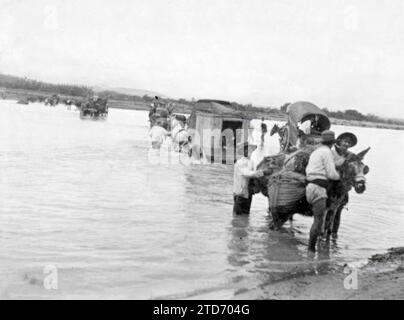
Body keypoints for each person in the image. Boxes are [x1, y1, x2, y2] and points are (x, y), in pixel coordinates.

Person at [305, 130, 340, 253]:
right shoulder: (327, 152)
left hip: (309, 186)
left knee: (317, 219)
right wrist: (339, 176)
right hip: (318, 189)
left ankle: (311, 248)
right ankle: (310, 250)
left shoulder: (316, 151)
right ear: (331, 143)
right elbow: (331, 174)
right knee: (318, 220)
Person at [329, 132, 358, 237]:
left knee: (338, 212)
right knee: (327, 212)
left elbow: (357, 169)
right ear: (340, 141)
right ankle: (325, 235)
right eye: (345, 141)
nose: (346, 144)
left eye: (349, 142)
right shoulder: (331, 152)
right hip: (330, 185)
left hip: (342, 188)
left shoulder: (351, 156)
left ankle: (334, 234)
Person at [233, 142, 269, 215]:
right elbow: (247, 173)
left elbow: (252, 176)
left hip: (248, 193)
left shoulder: (251, 162)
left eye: (250, 150)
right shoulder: (240, 162)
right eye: (247, 150)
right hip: (240, 193)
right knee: (238, 216)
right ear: (244, 151)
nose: (249, 151)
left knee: (246, 215)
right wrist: (262, 172)